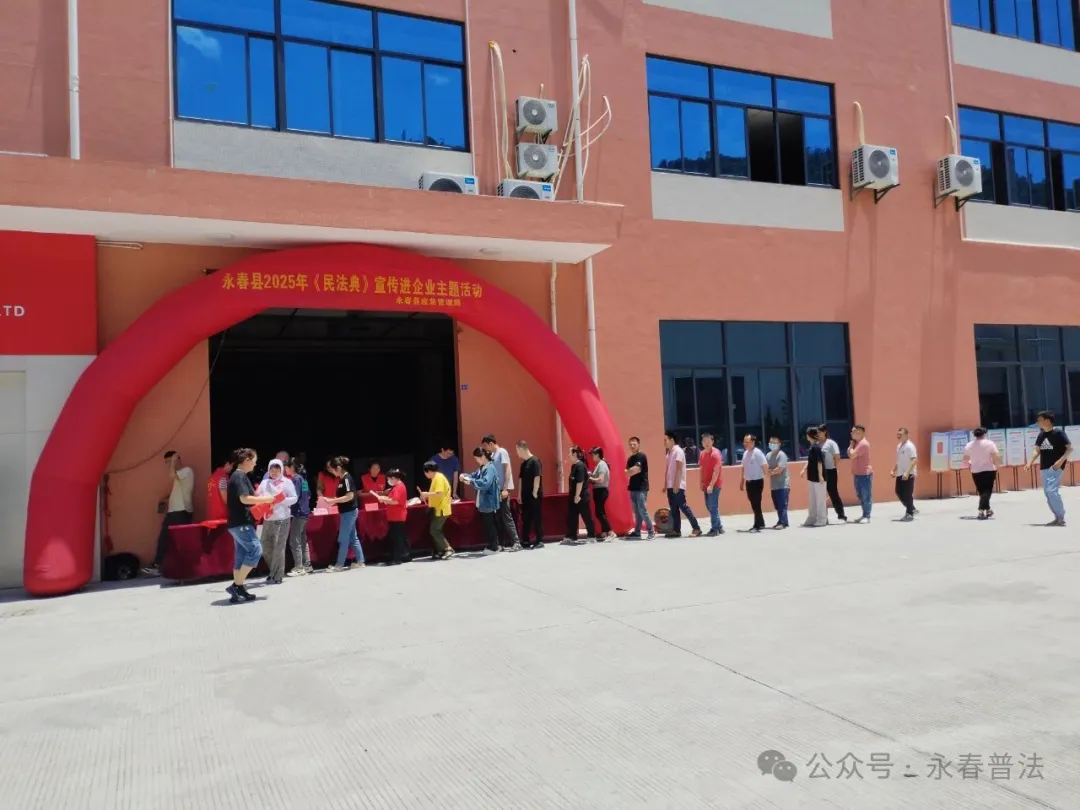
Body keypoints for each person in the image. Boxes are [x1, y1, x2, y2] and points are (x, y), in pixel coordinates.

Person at [224, 448, 277, 604]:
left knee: (241, 556)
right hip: (241, 523)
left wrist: (263, 500)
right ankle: (236, 585)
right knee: (255, 550)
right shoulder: (239, 476)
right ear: (247, 460)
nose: (255, 464)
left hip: (237, 523)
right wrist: (266, 499)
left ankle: (239, 590)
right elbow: (244, 498)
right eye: (254, 461)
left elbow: (249, 498)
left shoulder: (238, 476)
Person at [143, 450, 195, 576]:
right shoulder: (179, 475)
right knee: (164, 539)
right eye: (166, 462)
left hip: (181, 511)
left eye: (169, 461)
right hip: (174, 511)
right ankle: (159, 565)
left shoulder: (186, 471)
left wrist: (173, 462)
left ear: (177, 459)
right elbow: (176, 487)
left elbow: (171, 475)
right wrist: (166, 498)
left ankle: (184, 567)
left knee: (179, 541)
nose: (168, 465)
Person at [1026, 410, 1072, 527]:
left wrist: (1060, 461)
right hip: (1044, 467)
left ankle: (1060, 517)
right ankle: (1057, 517)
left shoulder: (1058, 433)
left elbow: (1069, 449)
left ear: (1047, 421)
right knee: (1047, 492)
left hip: (1055, 467)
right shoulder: (1041, 435)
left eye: (1039, 420)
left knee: (1052, 491)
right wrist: (1030, 462)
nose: (1038, 422)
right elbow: (1037, 450)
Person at [256, 459, 298, 584]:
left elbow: (294, 498)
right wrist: (262, 499)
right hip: (268, 518)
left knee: (279, 548)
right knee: (265, 547)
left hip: (282, 518)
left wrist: (283, 500)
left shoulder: (287, 482)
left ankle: (277, 575)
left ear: (281, 470)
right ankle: (273, 571)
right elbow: (257, 496)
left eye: (277, 470)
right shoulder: (265, 482)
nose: (274, 473)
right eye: (272, 470)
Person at [325, 456, 365, 572]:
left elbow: (350, 496)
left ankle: (339, 565)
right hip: (346, 512)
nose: (331, 472)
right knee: (352, 537)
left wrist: (333, 500)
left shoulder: (346, 479)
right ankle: (360, 561)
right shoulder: (342, 479)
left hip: (349, 512)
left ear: (338, 468)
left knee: (343, 539)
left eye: (332, 470)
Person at [482, 435, 522, 551]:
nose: (485, 448)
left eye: (486, 445)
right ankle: (501, 543)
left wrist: (505, 489)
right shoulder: (492, 455)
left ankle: (516, 542)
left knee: (506, 516)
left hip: (503, 490)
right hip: (496, 490)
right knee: (498, 517)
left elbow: (507, 469)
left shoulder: (502, 452)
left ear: (491, 443)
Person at [663, 430, 701, 538]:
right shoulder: (669, 452)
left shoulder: (678, 451)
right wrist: (666, 484)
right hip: (670, 485)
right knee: (674, 508)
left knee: (683, 506)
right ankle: (676, 530)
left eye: (665, 440)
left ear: (672, 440)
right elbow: (668, 469)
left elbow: (679, 469)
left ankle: (696, 528)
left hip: (677, 485)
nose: (664, 442)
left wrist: (676, 484)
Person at [462, 447, 500, 554]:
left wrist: (471, 481)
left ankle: (494, 547)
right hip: (483, 501)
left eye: (477, 458)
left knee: (490, 525)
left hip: (488, 501)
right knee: (487, 525)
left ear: (483, 457)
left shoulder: (490, 468)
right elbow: (473, 476)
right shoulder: (483, 467)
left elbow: (485, 483)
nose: (476, 461)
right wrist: (465, 476)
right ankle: (492, 545)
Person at [419, 460, 454, 559]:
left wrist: (426, 494)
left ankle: (448, 549)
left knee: (434, 530)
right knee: (436, 530)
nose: (425, 475)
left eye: (425, 472)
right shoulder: (437, 477)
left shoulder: (438, 478)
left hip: (441, 508)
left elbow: (439, 494)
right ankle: (441, 551)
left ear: (429, 471)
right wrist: (427, 496)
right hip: (438, 508)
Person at [374, 469, 411, 565]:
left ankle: (397, 558)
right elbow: (392, 499)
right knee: (396, 537)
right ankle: (399, 556)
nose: (388, 481)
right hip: (394, 516)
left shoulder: (399, 487)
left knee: (397, 538)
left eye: (389, 479)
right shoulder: (396, 487)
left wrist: (384, 499)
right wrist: (385, 499)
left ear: (393, 478)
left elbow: (395, 501)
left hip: (398, 516)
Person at [964, 427, 1001, 519]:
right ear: (984, 434)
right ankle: (981, 510)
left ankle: (988, 509)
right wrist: (997, 466)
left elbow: (965, 458)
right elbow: (996, 456)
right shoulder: (990, 443)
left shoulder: (969, 445)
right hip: (989, 469)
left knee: (981, 490)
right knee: (987, 490)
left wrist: (968, 465)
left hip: (976, 470)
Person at [285, 458, 313, 576]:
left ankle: (299, 567)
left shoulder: (296, 479)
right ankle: (307, 565)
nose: (285, 470)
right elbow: (309, 495)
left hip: (298, 513)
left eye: (286, 467)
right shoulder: (304, 480)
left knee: (294, 540)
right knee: (302, 540)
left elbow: (294, 497)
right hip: (305, 512)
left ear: (291, 468)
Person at [563, 446, 597, 544]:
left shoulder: (580, 466)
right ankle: (572, 536)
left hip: (581, 496)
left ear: (574, 454)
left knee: (586, 516)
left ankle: (591, 535)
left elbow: (580, 482)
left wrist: (577, 495)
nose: (568, 455)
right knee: (572, 516)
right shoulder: (574, 466)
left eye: (569, 453)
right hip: (573, 496)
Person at [515, 441, 544, 549]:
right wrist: (519, 494)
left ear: (522, 449)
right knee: (526, 518)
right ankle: (525, 540)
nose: (517, 453)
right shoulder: (523, 464)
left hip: (534, 495)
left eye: (517, 450)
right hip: (525, 495)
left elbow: (537, 476)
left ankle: (539, 540)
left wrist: (535, 492)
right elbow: (521, 479)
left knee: (536, 517)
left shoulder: (535, 461)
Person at [624, 436, 655, 540]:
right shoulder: (630, 459)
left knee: (642, 509)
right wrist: (630, 471)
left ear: (638, 445)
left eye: (634, 444)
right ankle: (637, 531)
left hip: (642, 487)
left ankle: (651, 531)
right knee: (637, 511)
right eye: (630, 444)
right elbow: (627, 473)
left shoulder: (641, 456)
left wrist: (630, 471)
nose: (632, 446)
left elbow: (636, 469)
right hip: (633, 487)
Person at [738, 434, 768, 532]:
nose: (745, 444)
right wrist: (742, 481)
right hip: (749, 482)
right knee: (753, 503)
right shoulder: (745, 453)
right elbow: (743, 467)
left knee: (756, 503)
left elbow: (765, 466)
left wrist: (766, 476)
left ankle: (757, 525)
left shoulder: (758, 453)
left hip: (757, 481)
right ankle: (761, 522)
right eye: (744, 442)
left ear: (753, 442)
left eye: (747, 442)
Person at [818, 425, 847, 522]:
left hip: (830, 470)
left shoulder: (830, 443)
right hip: (820, 471)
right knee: (820, 494)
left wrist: (834, 466)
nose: (818, 434)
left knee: (833, 493)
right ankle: (823, 517)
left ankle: (841, 516)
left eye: (819, 432)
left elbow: (837, 456)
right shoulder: (817, 444)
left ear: (825, 432)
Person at [698, 432, 724, 536]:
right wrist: (701, 482)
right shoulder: (702, 454)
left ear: (712, 441)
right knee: (709, 506)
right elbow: (701, 469)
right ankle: (720, 527)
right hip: (706, 484)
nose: (707, 443)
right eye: (704, 441)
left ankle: (715, 529)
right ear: (702, 443)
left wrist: (711, 485)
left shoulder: (716, 453)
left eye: (708, 441)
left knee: (713, 506)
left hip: (715, 484)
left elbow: (716, 471)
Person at [891, 427, 918, 521]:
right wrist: (894, 470)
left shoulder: (910, 446)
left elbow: (914, 460)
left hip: (908, 473)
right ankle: (912, 508)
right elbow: (899, 461)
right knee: (898, 491)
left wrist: (907, 472)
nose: (898, 436)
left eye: (900, 434)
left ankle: (909, 513)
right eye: (897, 434)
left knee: (907, 494)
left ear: (906, 435)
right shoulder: (899, 446)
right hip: (900, 473)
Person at [588, 447, 615, 541]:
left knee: (599, 512)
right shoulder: (599, 464)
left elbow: (601, 479)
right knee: (601, 512)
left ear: (598, 454)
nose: (592, 456)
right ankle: (604, 532)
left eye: (593, 454)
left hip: (601, 490)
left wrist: (590, 478)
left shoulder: (602, 465)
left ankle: (610, 532)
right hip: (599, 490)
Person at [848, 425, 873, 523]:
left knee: (866, 496)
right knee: (860, 496)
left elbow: (852, 455)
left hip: (864, 474)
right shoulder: (857, 443)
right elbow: (850, 454)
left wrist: (851, 446)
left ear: (859, 432)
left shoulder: (863, 444)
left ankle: (867, 516)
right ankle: (864, 515)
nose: (851, 433)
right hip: (857, 473)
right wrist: (851, 447)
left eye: (853, 431)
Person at [803, 427, 828, 527]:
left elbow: (819, 462)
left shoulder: (817, 448)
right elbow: (810, 461)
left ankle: (822, 519)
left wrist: (820, 476)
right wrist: (804, 469)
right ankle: (812, 517)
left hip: (818, 478)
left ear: (810, 436)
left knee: (820, 499)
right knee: (812, 499)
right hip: (811, 477)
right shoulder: (811, 447)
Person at [766, 436, 790, 529]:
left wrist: (770, 472)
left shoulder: (781, 455)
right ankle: (782, 521)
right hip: (774, 485)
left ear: (779, 444)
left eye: (774, 442)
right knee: (777, 505)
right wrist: (770, 471)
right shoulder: (768, 455)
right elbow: (765, 468)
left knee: (782, 505)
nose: (772, 444)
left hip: (783, 485)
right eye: (770, 442)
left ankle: (783, 523)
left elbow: (780, 469)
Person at [205, 456, 232, 522]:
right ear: (227, 464)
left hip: (211, 515)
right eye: (231, 465)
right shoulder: (222, 478)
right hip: (221, 516)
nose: (232, 468)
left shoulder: (212, 477)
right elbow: (225, 499)